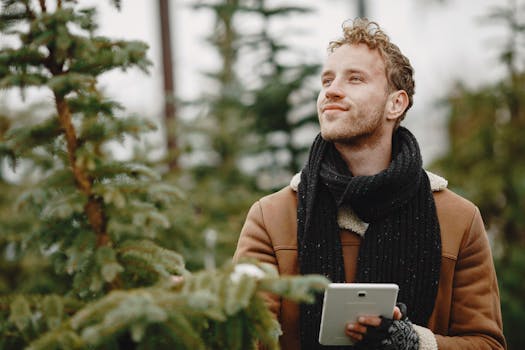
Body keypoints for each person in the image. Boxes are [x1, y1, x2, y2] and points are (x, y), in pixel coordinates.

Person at [233, 18, 506, 350]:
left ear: (396, 104)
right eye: (327, 80)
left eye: (355, 79)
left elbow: (487, 343)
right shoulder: (272, 217)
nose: (331, 90)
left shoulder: (458, 219)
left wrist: (415, 342)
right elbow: (245, 338)